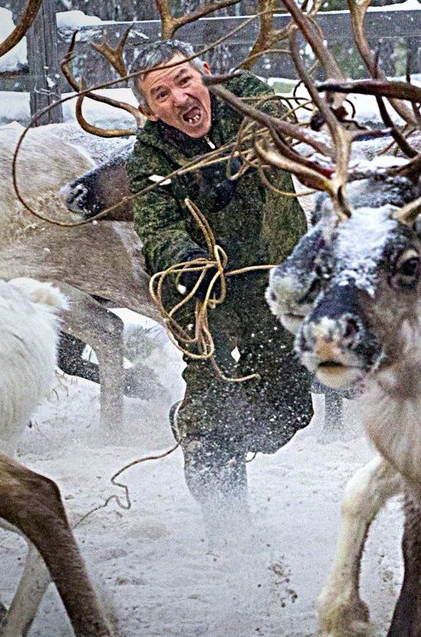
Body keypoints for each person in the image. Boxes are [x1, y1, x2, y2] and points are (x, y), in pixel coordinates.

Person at [124, 39, 313, 536]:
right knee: (212, 421)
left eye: (185, 81)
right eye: (160, 94)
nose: (180, 99)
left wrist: (236, 161)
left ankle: (223, 435)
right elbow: (157, 228)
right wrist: (184, 258)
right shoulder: (149, 159)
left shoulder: (249, 99)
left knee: (289, 412)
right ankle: (228, 523)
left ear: (206, 73)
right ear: (148, 111)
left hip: (280, 292)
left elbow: (278, 120)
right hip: (211, 304)